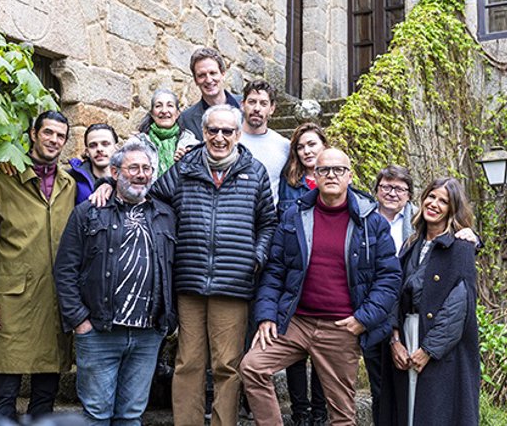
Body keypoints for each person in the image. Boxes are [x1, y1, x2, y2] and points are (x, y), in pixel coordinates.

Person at [240, 148, 402, 426]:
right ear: (314, 176)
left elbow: (389, 279)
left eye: (338, 170)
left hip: (341, 327)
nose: (331, 175)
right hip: (295, 322)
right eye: (324, 170)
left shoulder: (371, 223)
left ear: (350, 176)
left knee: (342, 415)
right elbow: (275, 270)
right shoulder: (294, 216)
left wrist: (363, 319)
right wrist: (266, 315)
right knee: (252, 367)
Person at [151, 104, 277, 426]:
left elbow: (268, 223)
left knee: (227, 366)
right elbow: (154, 200)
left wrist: (257, 257)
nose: (219, 137)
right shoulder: (185, 168)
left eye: (227, 131)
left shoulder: (255, 171)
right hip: (190, 281)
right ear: (204, 132)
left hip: (233, 285)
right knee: (188, 363)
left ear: (238, 134)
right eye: (213, 131)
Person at [53, 138, 177, 425]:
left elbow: (175, 268)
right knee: (97, 415)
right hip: (99, 331)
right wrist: (79, 321)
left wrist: (168, 320)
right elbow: (65, 269)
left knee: (131, 416)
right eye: (133, 167)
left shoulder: (165, 215)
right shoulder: (89, 211)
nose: (141, 174)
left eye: (147, 168)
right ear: (116, 172)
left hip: (147, 334)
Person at [0, 111, 76, 421]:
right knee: (5, 397)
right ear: (33, 134)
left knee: (45, 398)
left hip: (54, 302)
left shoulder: (69, 185)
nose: (54, 140)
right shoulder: (1, 180)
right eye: (48, 133)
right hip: (9, 302)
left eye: (60, 136)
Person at [379, 177, 480, 426]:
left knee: (435, 414)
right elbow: (394, 293)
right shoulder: (410, 244)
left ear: (452, 209)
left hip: (439, 346)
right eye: (431, 197)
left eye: (443, 201)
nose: (434, 204)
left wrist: (429, 350)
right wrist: (395, 342)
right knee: (407, 412)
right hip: (406, 336)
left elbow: (458, 308)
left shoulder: (461, 246)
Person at [276, 122, 329, 425]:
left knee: (321, 352)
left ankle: (320, 415)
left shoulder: (337, 177)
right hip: (294, 277)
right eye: (301, 146)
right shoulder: (288, 183)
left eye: (312, 144)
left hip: (325, 277)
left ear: (324, 146)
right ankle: (300, 414)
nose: (307, 151)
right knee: (295, 352)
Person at [238, 79, 290, 205]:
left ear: (272, 109)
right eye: (251, 102)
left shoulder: (284, 145)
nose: (257, 108)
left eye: (263, 103)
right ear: (242, 105)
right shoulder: (228, 139)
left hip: (267, 221)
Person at [179, 47, 241, 141]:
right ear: (195, 80)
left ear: (223, 74)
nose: (208, 80)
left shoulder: (247, 105)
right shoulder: (186, 119)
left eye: (213, 73)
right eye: (201, 75)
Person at [137, 88, 199, 177]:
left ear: (177, 113)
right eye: (158, 106)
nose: (164, 111)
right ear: (152, 114)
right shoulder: (138, 142)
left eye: (170, 105)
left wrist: (188, 162)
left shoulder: (191, 144)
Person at [68, 123, 119, 204]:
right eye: (93, 145)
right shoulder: (72, 179)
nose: (99, 149)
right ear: (87, 152)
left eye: (105, 144)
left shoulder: (127, 179)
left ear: (116, 148)